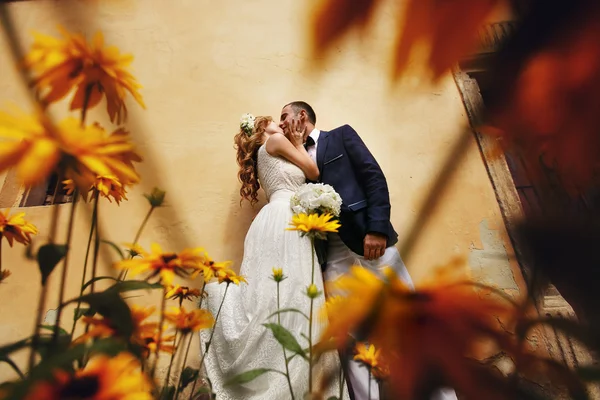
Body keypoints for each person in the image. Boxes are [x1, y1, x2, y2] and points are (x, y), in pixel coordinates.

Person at [279, 101, 458, 400]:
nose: (281, 124)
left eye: (284, 117)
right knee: (351, 339)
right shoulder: (292, 158)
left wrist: (377, 229)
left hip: (370, 244)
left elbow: (373, 178)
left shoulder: (341, 136)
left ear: (302, 116)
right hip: (332, 257)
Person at [200, 115, 350, 400]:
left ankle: (284, 370)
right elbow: (314, 171)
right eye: (273, 121)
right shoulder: (278, 141)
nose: (280, 125)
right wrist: (296, 141)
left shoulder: (265, 152)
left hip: (276, 220)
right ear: (261, 130)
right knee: (293, 292)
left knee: (277, 294)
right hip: (285, 219)